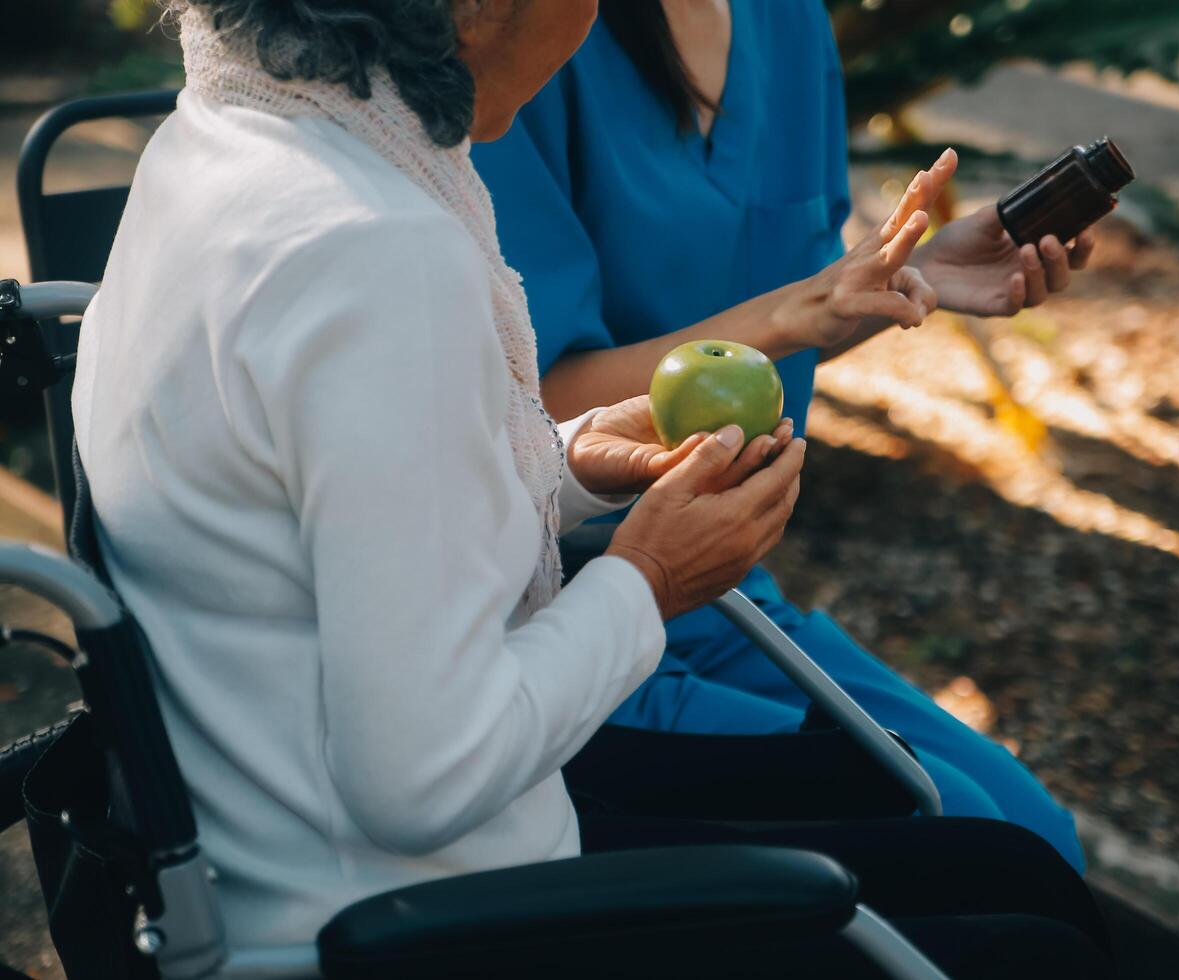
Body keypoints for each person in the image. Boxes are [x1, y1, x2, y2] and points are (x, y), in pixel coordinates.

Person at [72, 1, 1112, 974]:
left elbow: (332, 502)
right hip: (429, 922)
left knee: (1013, 863)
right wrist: (647, 576)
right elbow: (421, 776)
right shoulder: (377, 245)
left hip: (286, 869)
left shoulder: (225, 141)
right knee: (1030, 937)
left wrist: (559, 464)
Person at [472, 0, 1096, 872]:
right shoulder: (524, 35)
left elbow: (771, 337)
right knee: (966, 846)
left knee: (1036, 836)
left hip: (729, 594)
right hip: (570, 601)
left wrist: (917, 275)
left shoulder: (785, 21)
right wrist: (801, 308)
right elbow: (536, 407)